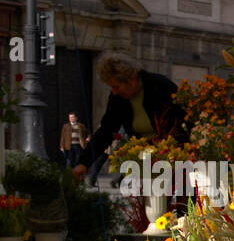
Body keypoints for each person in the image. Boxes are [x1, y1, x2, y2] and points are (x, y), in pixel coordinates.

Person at [73, 51, 186, 183]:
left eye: (116, 86)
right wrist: (84, 162)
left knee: (181, 200)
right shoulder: (118, 98)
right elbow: (106, 130)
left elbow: (183, 121)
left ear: (131, 79)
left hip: (176, 156)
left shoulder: (160, 86)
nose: (114, 91)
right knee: (149, 201)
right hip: (145, 159)